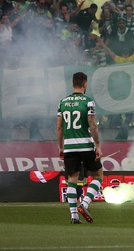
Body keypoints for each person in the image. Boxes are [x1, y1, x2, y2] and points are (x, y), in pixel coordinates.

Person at [57, 72, 103, 224]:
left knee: (72, 179)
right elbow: (93, 125)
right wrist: (98, 145)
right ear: (85, 84)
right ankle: (84, 204)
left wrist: (60, 147)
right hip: (85, 145)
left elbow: (59, 127)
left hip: (69, 147)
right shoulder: (88, 102)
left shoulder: (62, 103)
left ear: (72, 84)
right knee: (98, 175)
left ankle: (74, 216)